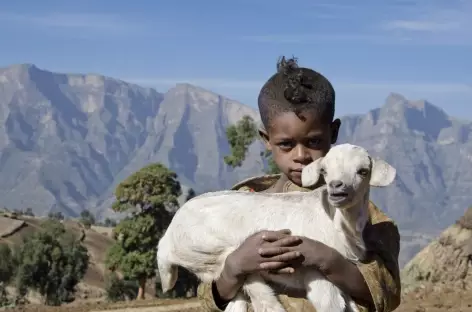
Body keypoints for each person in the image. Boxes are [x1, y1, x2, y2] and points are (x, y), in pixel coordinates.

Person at [197, 57, 401, 312]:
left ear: (333, 132)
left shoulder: (364, 215)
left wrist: (327, 259)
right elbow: (209, 297)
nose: (301, 155)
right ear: (266, 139)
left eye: (314, 142)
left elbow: (387, 292)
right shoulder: (245, 202)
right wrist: (234, 266)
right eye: (286, 144)